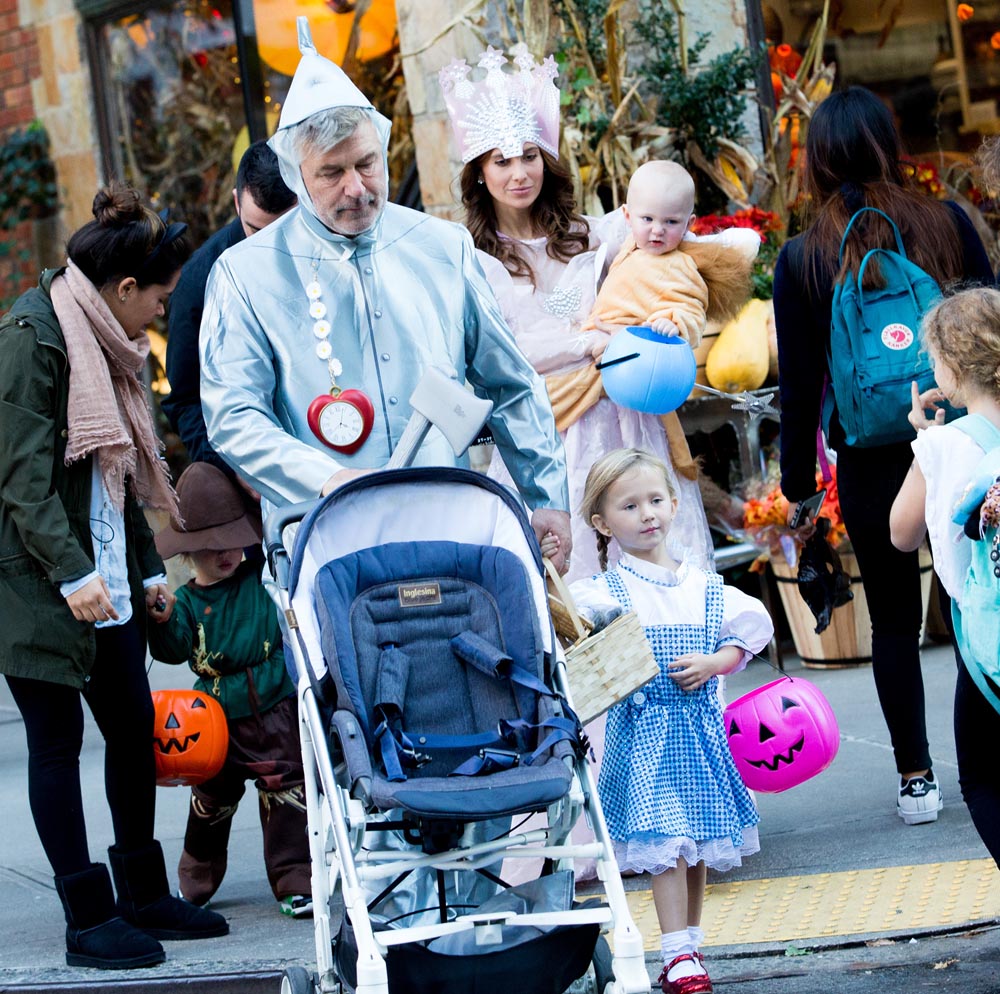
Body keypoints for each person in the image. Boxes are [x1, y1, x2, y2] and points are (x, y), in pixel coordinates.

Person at [199, 26, 571, 572]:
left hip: (451, 524)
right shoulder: (244, 273)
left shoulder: (443, 247)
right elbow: (233, 416)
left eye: (366, 163)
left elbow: (511, 383)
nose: (356, 186)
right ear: (295, 175)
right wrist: (328, 480)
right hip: (327, 536)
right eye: (332, 172)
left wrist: (548, 498)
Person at [0, 183, 228, 970]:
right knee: (57, 743)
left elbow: (117, 471)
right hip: (36, 581)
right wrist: (71, 574)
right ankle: (86, 919)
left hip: (107, 571)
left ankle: (141, 893)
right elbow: (23, 481)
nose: (159, 316)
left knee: (131, 729)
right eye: (157, 300)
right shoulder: (32, 339)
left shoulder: (108, 345)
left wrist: (141, 566)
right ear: (123, 289)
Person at [772, 86, 994, 824]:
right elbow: (990, 332)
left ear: (816, 159)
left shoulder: (803, 256)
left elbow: (799, 389)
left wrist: (799, 490)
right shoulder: (946, 224)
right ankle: (988, 756)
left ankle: (917, 779)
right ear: (889, 144)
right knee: (978, 600)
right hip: (962, 439)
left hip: (870, 458)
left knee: (893, 620)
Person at [440, 47, 717, 582]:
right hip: (543, 435)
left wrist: (674, 319)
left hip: (628, 422)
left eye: (530, 156)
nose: (519, 172)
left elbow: (670, 265)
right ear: (478, 172)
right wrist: (590, 341)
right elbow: (494, 356)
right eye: (502, 160)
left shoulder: (598, 234)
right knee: (571, 586)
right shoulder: (468, 261)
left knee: (655, 569)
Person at [569, 448, 773, 994]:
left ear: (675, 503)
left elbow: (748, 632)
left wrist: (715, 663)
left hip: (700, 733)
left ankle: (688, 946)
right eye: (629, 505)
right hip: (645, 740)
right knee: (667, 842)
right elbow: (570, 626)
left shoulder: (703, 586)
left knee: (699, 843)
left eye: (655, 500)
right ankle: (676, 953)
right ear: (601, 522)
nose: (647, 514)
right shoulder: (605, 592)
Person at [147, 462, 312, 917]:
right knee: (210, 802)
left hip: (275, 708)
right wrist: (160, 620)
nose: (225, 554)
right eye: (210, 547)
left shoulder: (261, 580)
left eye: (233, 542)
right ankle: (196, 880)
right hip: (213, 721)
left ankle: (295, 879)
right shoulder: (189, 604)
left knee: (287, 794)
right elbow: (174, 648)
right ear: (188, 552)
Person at [889, 287, 1000, 858]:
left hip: (985, 641)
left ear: (952, 370)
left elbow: (901, 534)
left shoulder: (945, 446)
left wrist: (924, 443)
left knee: (982, 775)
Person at [580, 159, 754, 476]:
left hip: (639, 361)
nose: (657, 230)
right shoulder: (629, 246)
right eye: (647, 218)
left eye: (671, 222)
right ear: (627, 216)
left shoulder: (681, 265)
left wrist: (674, 322)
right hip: (603, 350)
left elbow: (692, 306)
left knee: (639, 452)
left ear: (689, 223)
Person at [163, 140, 296, 473]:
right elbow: (185, 401)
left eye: (287, 230)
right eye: (258, 230)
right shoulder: (197, 280)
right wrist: (236, 473)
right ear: (237, 203)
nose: (271, 247)